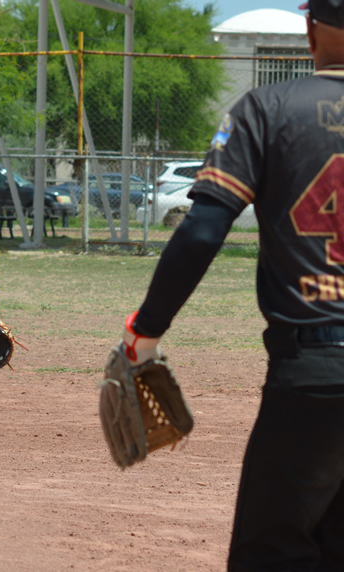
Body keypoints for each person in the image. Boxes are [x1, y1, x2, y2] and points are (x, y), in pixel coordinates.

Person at [106, 3, 344, 569]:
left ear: (309, 30)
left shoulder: (270, 107)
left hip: (314, 373)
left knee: (273, 551)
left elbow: (204, 230)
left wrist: (146, 331)